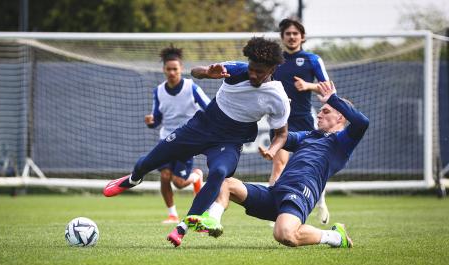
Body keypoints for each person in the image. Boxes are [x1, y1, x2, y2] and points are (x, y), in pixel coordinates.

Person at [103, 37, 291, 247]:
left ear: (272, 69)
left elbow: (282, 133)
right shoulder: (237, 70)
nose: (253, 74)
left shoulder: (278, 98)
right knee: (150, 161)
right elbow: (195, 72)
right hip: (201, 128)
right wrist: (208, 72)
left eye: (260, 71)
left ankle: (182, 227)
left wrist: (273, 150)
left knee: (220, 173)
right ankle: (133, 179)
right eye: (252, 68)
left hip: (230, 141)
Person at [202, 81, 369, 248]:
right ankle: (213, 222)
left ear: (340, 117)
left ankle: (335, 237)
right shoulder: (310, 135)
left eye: (325, 111)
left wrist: (333, 98)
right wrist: (279, 110)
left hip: (300, 192)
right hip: (275, 192)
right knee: (225, 183)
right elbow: (284, 137)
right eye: (319, 111)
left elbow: (362, 122)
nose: (319, 115)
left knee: (285, 235)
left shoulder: (342, 142)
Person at [271, 18, 331, 224]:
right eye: (287, 34)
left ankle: (320, 202)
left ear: (302, 37)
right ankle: (274, 210)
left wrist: (308, 86)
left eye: (295, 33)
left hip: (305, 120)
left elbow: (329, 87)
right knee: (279, 164)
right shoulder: (275, 60)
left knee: (311, 166)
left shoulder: (312, 59)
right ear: (282, 37)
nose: (291, 37)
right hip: (281, 121)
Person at [144, 45, 210, 224]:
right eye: (168, 69)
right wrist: (152, 121)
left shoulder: (191, 87)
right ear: (164, 70)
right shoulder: (158, 91)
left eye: (175, 69)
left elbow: (209, 108)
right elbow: (157, 119)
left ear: (181, 68)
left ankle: (196, 176)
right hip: (166, 139)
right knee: (164, 176)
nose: (172, 72)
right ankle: (172, 214)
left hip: (187, 141)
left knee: (179, 183)